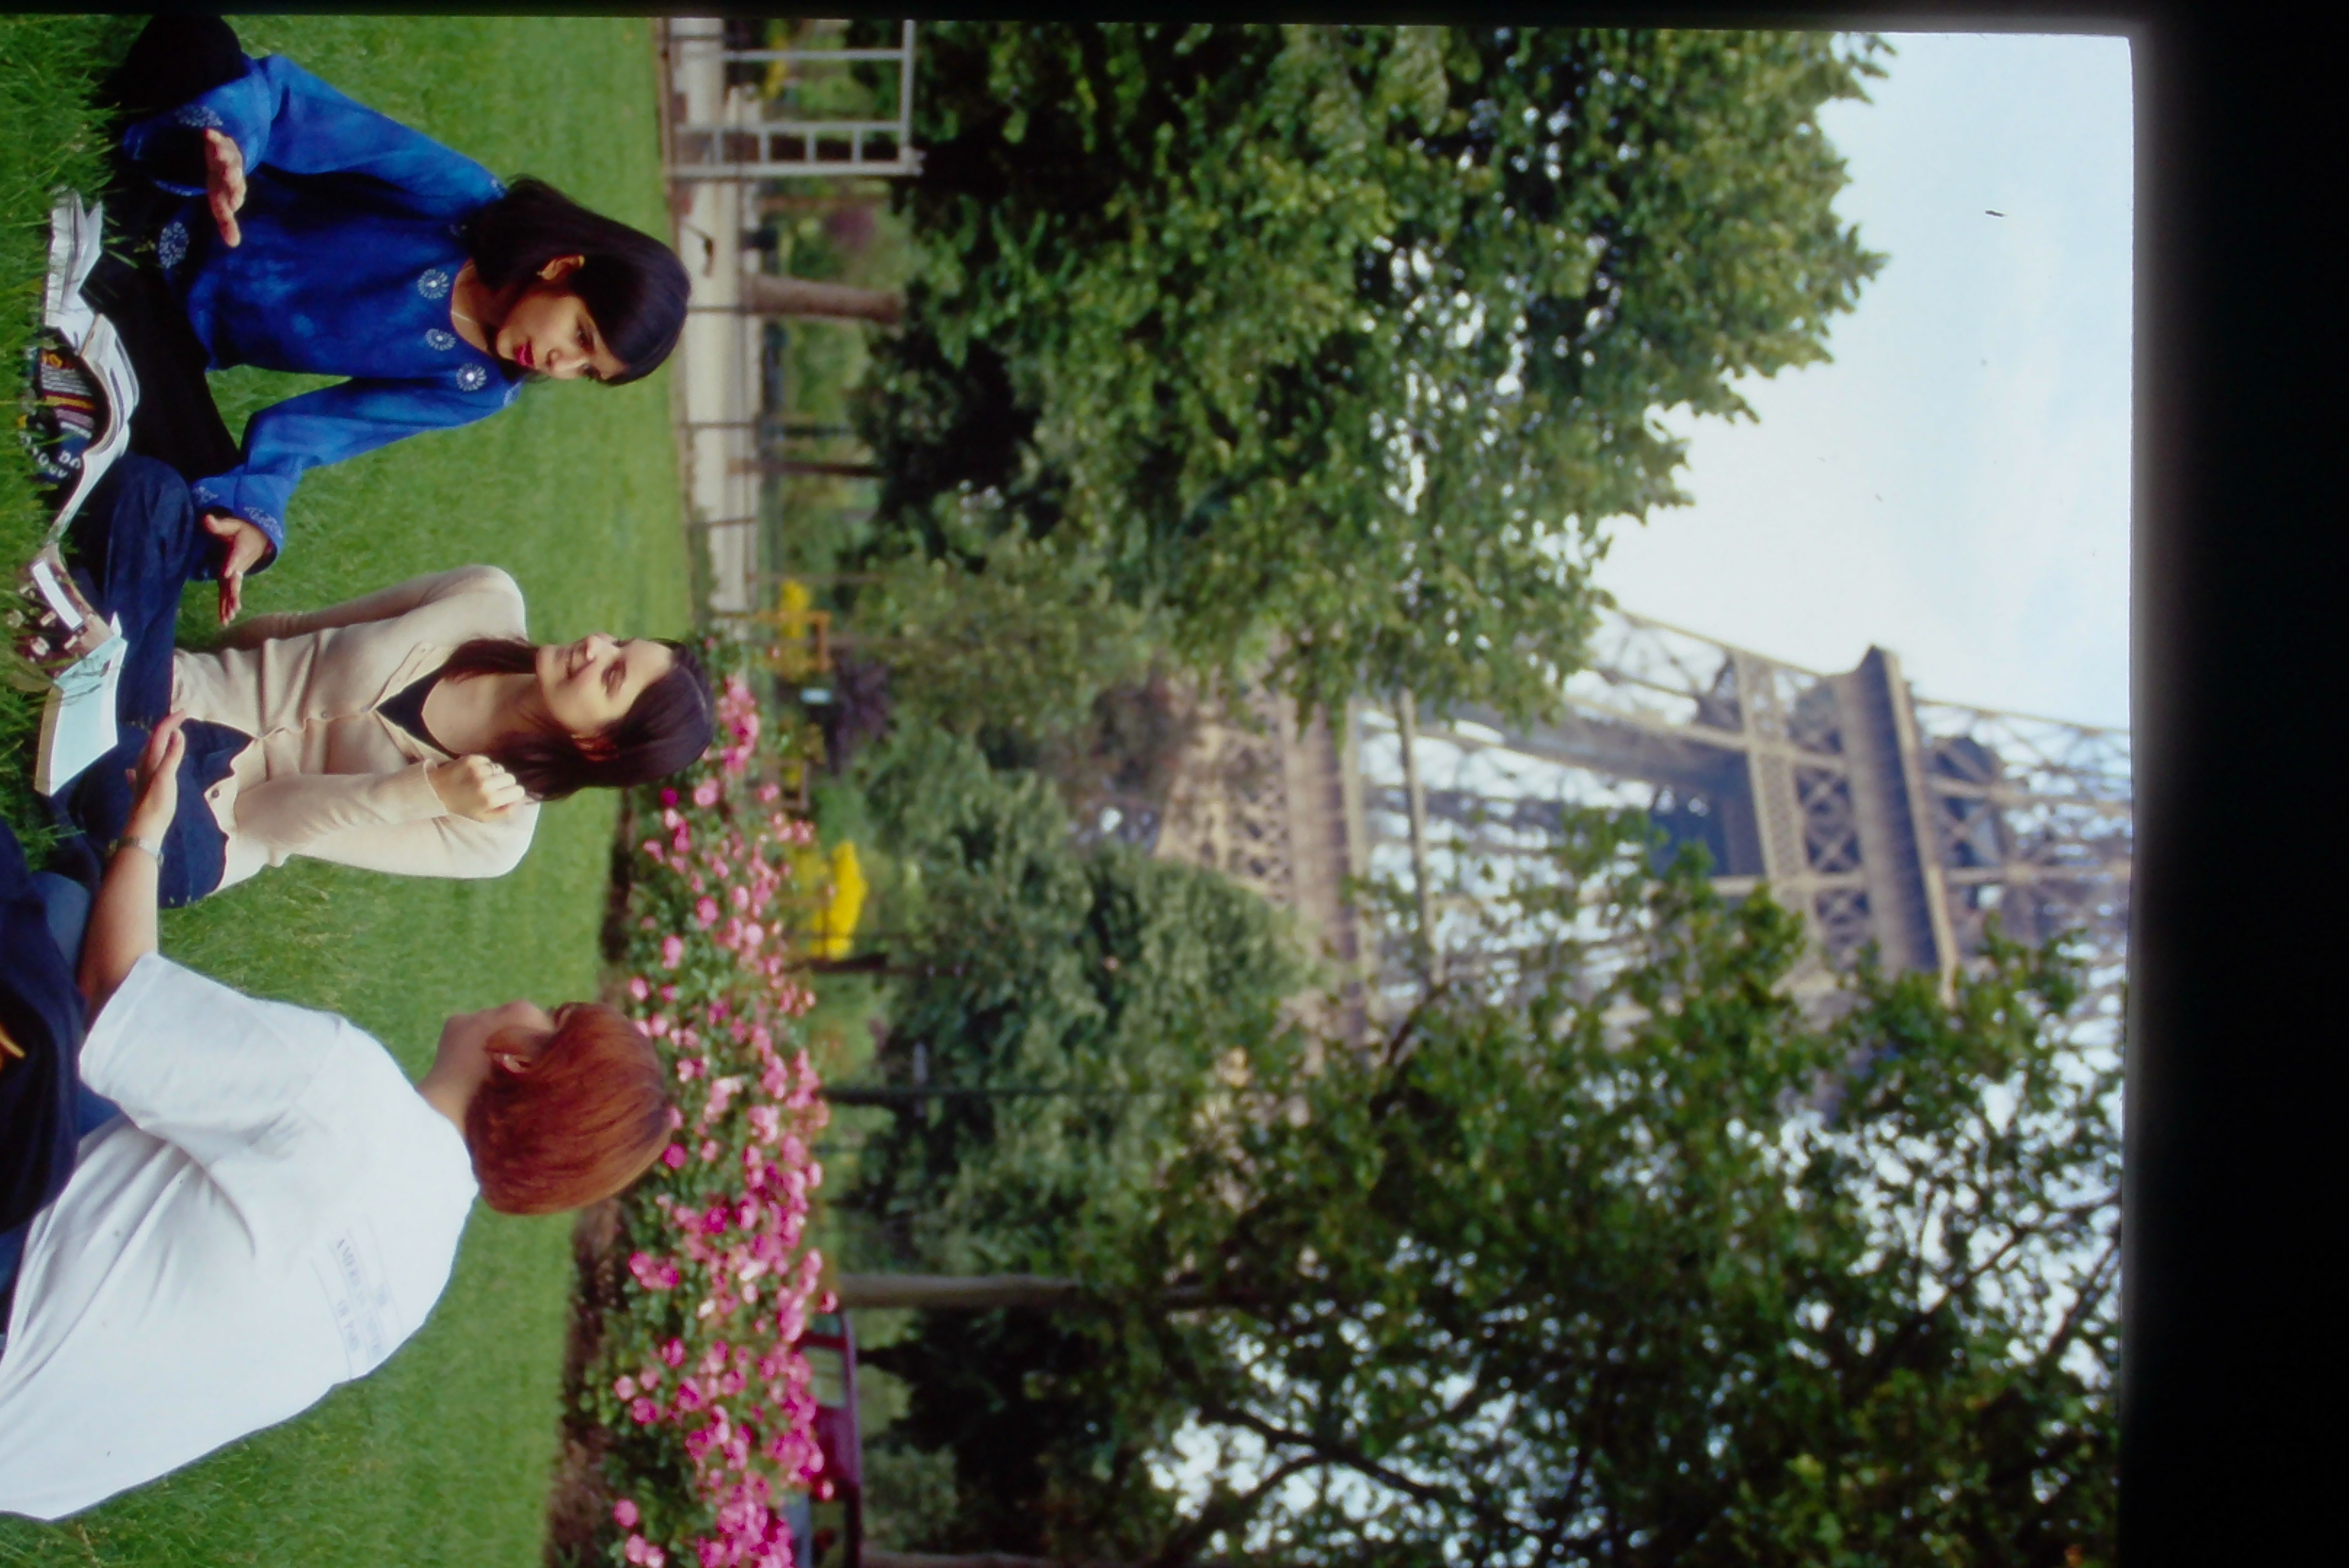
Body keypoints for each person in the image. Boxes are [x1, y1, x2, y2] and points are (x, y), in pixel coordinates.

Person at [0, 722, 674, 1521]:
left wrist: (146, 830)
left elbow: (113, 995)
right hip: (24, 1465)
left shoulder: (348, 1095)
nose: (527, 1003)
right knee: (74, 925)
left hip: (16, 1298)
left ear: (521, 1061)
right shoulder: (417, 1280)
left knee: (60, 921)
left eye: (552, 1016)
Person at [89, 14, 691, 622]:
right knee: (201, 46)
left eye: (587, 371)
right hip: (192, 191)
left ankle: (101, 288)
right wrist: (237, 147)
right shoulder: (462, 202)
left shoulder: (477, 388)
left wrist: (255, 517)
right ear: (563, 269)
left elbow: (318, 431)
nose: (562, 364)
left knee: (216, 528)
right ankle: (103, 284)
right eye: (581, 335)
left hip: (176, 329)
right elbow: (303, 113)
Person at [50, 454, 714, 906]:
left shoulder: (493, 836)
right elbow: (294, 630)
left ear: (599, 746)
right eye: (618, 642)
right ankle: (91, 695)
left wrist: (421, 792)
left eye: (613, 674)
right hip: (175, 690)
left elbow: (263, 818)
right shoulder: (486, 597)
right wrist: (180, 641)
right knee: (154, 494)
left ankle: (83, 657)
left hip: (207, 809)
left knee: (138, 816)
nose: (595, 646)